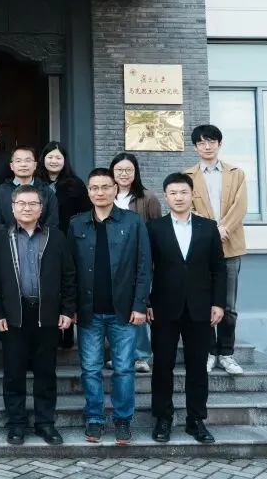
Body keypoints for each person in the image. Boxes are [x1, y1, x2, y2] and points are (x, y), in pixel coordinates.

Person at [68, 168, 150, 446]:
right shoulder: (77, 224)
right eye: (94, 188)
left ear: (115, 189)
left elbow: (143, 266)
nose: (100, 192)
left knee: (124, 369)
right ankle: (94, 417)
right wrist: (71, 306)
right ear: (88, 191)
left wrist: (140, 305)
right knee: (90, 369)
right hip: (88, 311)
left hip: (123, 310)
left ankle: (123, 419)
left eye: (105, 187)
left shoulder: (133, 222)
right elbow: (70, 270)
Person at [0, 184, 77, 446]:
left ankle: (45, 423)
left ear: (41, 209)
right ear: (12, 208)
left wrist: (67, 310)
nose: (27, 208)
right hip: (13, 315)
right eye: (21, 204)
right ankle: (16, 424)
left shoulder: (56, 237)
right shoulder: (1, 238)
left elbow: (69, 276)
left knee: (46, 373)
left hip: (47, 314)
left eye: (32, 204)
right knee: (13, 373)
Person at [147, 172, 227, 445]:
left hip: (200, 308)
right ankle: (163, 419)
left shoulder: (208, 227)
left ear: (192, 195)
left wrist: (218, 303)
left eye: (183, 192)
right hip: (163, 308)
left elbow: (219, 268)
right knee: (162, 366)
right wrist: (146, 302)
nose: (178, 197)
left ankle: (196, 420)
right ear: (165, 196)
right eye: (173, 193)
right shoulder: (154, 228)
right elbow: (145, 268)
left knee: (197, 367)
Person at [184, 124, 248, 376]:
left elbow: (240, 206)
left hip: (230, 245)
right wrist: (212, 231)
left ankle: (227, 353)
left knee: (228, 305)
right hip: (202, 248)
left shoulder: (236, 174)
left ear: (220, 144)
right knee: (204, 302)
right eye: (201, 142)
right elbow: (186, 208)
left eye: (211, 141)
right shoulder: (187, 176)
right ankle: (209, 352)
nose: (207, 146)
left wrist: (223, 228)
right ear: (195, 147)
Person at [109, 152, 163, 373]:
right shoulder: (106, 194)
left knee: (137, 305)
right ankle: (120, 355)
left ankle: (140, 356)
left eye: (128, 170)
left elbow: (157, 230)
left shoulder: (147, 198)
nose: (124, 174)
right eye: (119, 170)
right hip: (110, 261)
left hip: (138, 260)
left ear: (135, 172)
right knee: (113, 310)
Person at [36, 141, 90, 350]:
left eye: (58, 157)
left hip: (68, 241)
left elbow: (85, 214)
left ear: (64, 160)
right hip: (39, 240)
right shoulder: (35, 183)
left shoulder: (75, 185)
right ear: (43, 159)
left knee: (66, 284)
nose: (54, 161)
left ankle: (66, 335)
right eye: (50, 157)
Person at [0, 146, 59, 236]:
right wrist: (12, 240)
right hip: (8, 242)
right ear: (11, 166)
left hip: (41, 243)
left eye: (28, 160)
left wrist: (35, 240)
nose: (23, 164)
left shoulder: (47, 191)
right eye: (18, 161)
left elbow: (52, 224)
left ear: (35, 165)